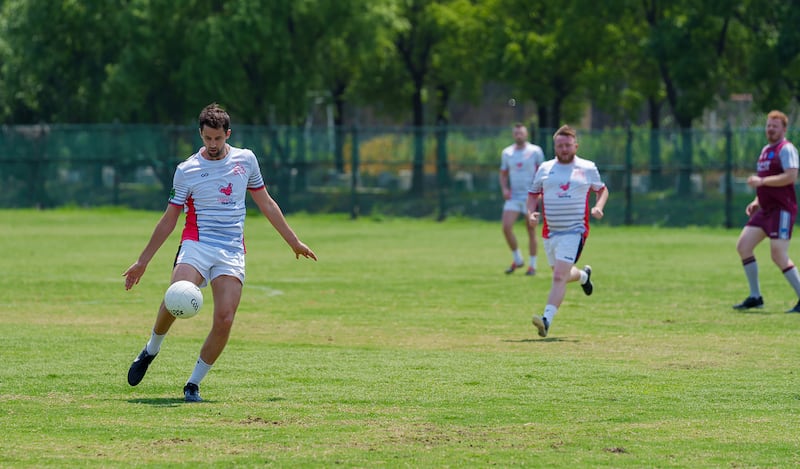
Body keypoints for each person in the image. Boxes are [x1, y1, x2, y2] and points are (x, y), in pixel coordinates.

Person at [123, 103, 317, 402]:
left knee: (225, 319)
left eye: (218, 139)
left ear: (228, 134)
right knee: (176, 293)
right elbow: (169, 219)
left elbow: (265, 202)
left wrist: (293, 241)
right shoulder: (187, 170)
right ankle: (151, 349)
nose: (213, 145)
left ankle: (193, 384)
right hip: (196, 243)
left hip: (230, 250)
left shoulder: (246, 160)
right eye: (207, 139)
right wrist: (142, 261)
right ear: (200, 134)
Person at [527, 125, 608, 337]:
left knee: (558, 277)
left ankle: (546, 320)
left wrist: (598, 207)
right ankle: (583, 276)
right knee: (560, 274)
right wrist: (530, 213)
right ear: (554, 146)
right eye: (559, 145)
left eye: (567, 145)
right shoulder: (545, 168)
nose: (563, 149)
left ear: (576, 146)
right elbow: (533, 193)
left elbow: (602, 190)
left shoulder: (587, 167)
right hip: (551, 231)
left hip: (575, 231)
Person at [733, 110, 800, 313]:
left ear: (784, 129)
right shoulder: (765, 150)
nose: (770, 129)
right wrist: (756, 200)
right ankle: (755, 296)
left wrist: (761, 181)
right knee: (744, 246)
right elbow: (766, 183)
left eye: (775, 126)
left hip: (782, 210)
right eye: (768, 125)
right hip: (765, 209)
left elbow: (790, 177)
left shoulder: (786, 149)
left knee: (778, 254)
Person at [499, 123, 545, 275]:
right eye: (516, 133)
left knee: (531, 230)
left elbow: (542, 173)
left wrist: (539, 192)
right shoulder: (507, 153)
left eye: (521, 133)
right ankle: (517, 259)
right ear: (513, 135)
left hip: (530, 197)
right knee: (506, 227)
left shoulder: (535, 151)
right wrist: (505, 188)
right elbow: (503, 173)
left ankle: (532, 265)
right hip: (514, 197)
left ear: (526, 134)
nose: (519, 135)